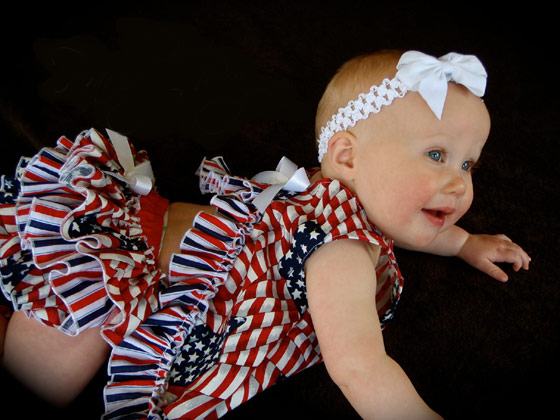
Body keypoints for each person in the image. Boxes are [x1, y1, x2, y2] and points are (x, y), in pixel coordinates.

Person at [0, 49, 530, 419]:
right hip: (125, 264)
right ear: (346, 155)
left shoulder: (341, 203)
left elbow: (409, 222)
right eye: (437, 155)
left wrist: (463, 241)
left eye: (469, 165)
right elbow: (359, 364)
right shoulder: (341, 251)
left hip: (141, 239)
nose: (458, 182)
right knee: (57, 359)